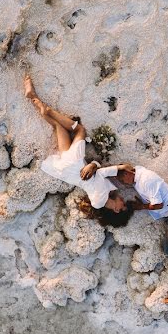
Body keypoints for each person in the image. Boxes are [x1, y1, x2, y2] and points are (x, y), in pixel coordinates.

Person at [80, 161, 168, 303]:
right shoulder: (137, 178)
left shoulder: (146, 179)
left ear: (129, 173)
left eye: (122, 179)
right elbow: (109, 172)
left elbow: (158, 204)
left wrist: (142, 206)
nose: (123, 184)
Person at [24, 75, 132, 225]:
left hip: (75, 165)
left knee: (80, 130)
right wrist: (95, 166)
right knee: (58, 127)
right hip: (67, 170)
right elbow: (96, 178)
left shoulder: (100, 201)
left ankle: (48, 110)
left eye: (123, 206)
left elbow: (100, 173)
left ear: (116, 210)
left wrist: (115, 166)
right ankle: (33, 97)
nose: (123, 201)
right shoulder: (101, 199)